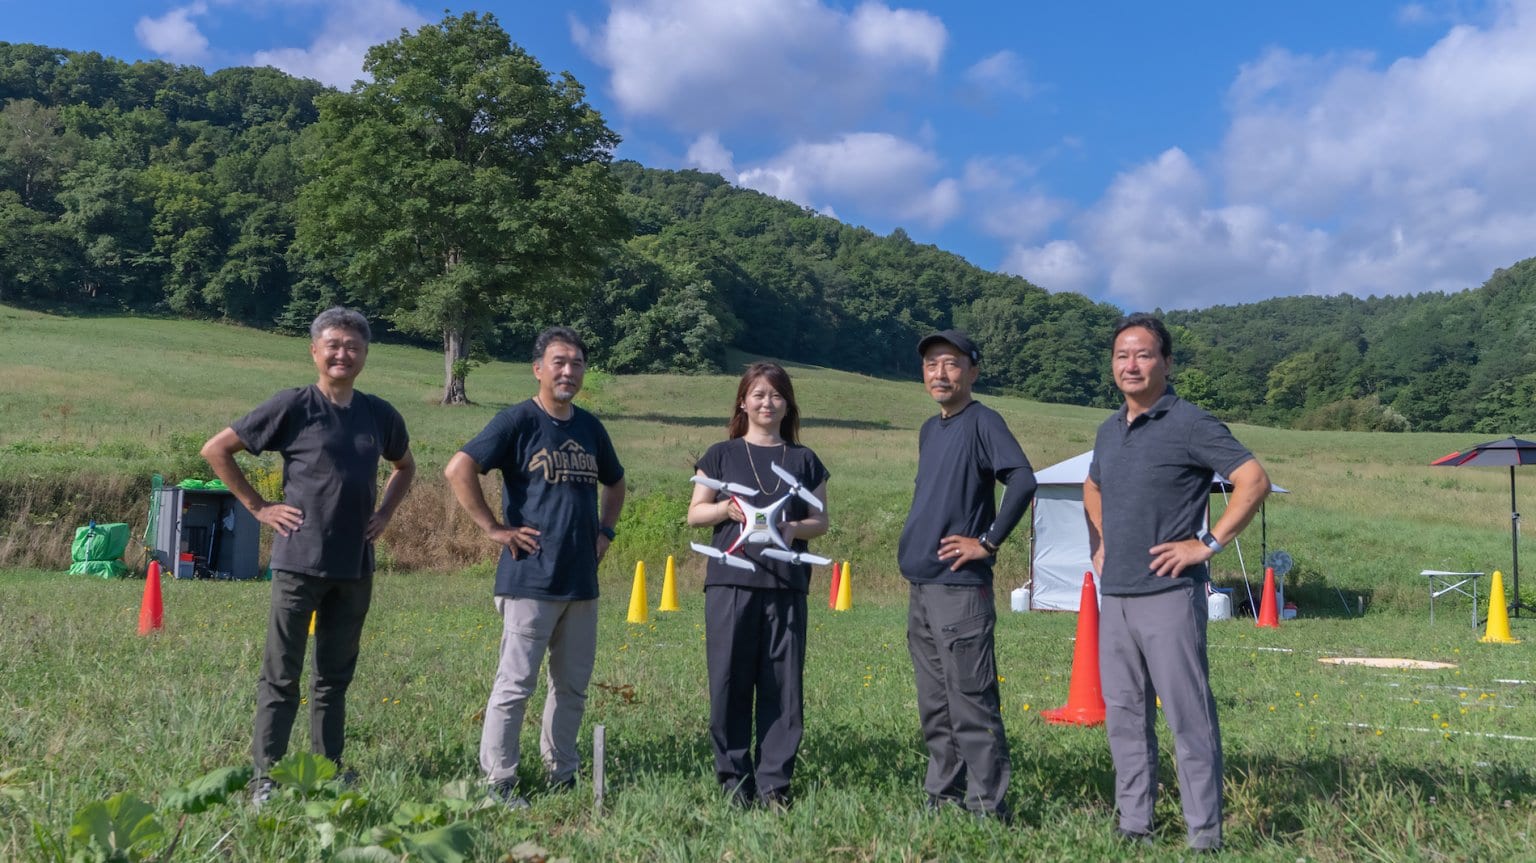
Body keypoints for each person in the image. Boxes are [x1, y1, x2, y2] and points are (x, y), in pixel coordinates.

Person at [201, 307, 415, 807]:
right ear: (315, 350)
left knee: (334, 678)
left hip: (355, 566)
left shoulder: (379, 414)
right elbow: (217, 449)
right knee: (281, 674)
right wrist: (258, 507)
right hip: (298, 561)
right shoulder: (293, 406)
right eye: (334, 345)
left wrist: (384, 514)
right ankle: (265, 779)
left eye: (353, 346)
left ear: (365, 355)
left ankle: (326, 770)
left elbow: (405, 466)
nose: (343, 354)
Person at [1083, 313, 1270, 853]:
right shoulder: (1108, 429)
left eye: (1143, 354)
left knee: (1188, 718)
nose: (1131, 364)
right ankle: (1134, 824)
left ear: (1165, 362)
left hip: (1169, 596)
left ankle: (1204, 834)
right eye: (1122, 355)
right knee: (1123, 717)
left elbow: (1251, 480)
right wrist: (1100, 541)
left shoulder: (1190, 422)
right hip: (1115, 596)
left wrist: (1205, 544)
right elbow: (1093, 486)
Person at [443, 326, 625, 809]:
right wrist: (494, 529)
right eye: (559, 362)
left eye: (577, 363)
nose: (568, 371)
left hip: (581, 582)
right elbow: (458, 468)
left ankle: (561, 772)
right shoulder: (517, 421)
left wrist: (605, 533)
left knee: (572, 687)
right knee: (515, 685)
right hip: (529, 578)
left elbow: (616, 482)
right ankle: (499, 781)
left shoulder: (590, 427)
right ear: (538, 369)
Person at [897, 330, 1037, 820]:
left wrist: (988, 541)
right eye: (932, 364)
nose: (940, 373)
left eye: (952, 364)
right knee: (935, 705)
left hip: (960, 589)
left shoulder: (983, 421)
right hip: (923, 586)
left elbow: (1023, 478)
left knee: (971, 702)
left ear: (972, 371)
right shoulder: (929, 430)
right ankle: (942, 798)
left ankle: (987, 809)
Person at [687, 362, 829, 809]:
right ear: (743, 401)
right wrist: (726, 511)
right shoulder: (719, 455)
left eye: (776, 395)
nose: (767, 403)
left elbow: (820, 522)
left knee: (783, 687)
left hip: (786, 585)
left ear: (788, 404)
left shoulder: (805, 460)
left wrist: (793, 530)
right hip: (730, 583)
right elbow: (695, 513)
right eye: (759, 394)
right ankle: (733, 783)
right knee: (729, 680)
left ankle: (774, 786)